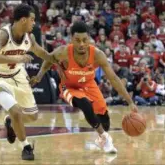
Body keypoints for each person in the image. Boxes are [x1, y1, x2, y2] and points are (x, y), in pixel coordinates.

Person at [30, 21, 138, 154]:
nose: (81, 44)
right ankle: (105, 137)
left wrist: (130, 102)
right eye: (77, 40)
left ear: (89, 39)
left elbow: (114, 79)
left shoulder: (98, 55)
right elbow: (48, 60)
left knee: (105, 121)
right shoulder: (63, 52)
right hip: (68, 86)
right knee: (85, 104)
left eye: (84, 40)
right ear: (71, 39)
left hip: (88, 84)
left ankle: (101, 139)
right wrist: (39, 75)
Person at [0, 4, 57, 161]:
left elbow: (40, 52)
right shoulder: (4, 34)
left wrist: (56, 59)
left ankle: (10, 121)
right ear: (23, 20)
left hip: (18, 76)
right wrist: (16, 58)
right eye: (32, 20)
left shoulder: (29, 38)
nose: (34, 23)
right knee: (16, 111)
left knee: (32, 117)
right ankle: (26, 147)